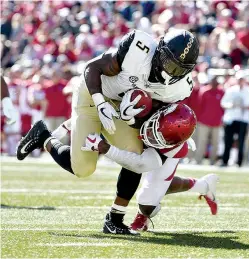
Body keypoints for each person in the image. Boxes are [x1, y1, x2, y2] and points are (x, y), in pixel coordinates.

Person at [16, 29, 199, 235]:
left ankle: (115, 219)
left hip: (123, 107)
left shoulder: (180, 88)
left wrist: (168, 133)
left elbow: (156, 114)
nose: (171, 72)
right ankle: (44, 137)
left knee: (135, 157)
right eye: (169, 63)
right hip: (93, 94)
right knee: (83, 168)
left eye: (178, 69)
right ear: (159, 51)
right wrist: (100, 102)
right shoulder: (138, 49)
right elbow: (92, 68)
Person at [82, 103, 218, 232]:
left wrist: (105, 148)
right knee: (160, 185)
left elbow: (138, 164)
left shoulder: (171, 147)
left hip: (162, 154)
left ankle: (203, 185)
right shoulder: (154, 101)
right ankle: (201, 185)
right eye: (154, 131)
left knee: (147, 205)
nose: (151, 137)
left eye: (157, 136)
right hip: (149, 120)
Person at [220, 71, 249, 167]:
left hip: (244, 120)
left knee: (241, 142)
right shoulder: (231, 90)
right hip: (231, 119)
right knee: (228, 140)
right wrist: (232, 105)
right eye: (239, 79)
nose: (240, 81)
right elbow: (223, 103)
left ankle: (239, 162)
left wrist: (245, 107)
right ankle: (225, 161)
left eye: (242, 79)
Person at [194, 76, 225, 165]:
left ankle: (212, 161)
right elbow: (199, 106)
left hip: (217, 122)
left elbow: (223, 108)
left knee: (215, 142)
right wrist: (198, 119)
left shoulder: (221, 92)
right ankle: (198, 160)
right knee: (201, 141)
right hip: (204, 121)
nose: (215, 84)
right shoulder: (204, 91)